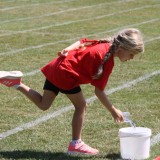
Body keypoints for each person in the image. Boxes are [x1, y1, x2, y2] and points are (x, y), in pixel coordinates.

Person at [0, 28, 144, 155]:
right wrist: (113, 110)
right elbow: (99, 92)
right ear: (123, 48)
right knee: (81, 106)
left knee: (44, 104)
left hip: (58, 66)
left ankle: (17, 83)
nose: (131, 59)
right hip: (65, 73)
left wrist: (68, 49)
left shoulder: (104, 43)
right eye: (131, 54)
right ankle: (76, 144)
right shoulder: (107, 61)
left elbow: (81, 41)